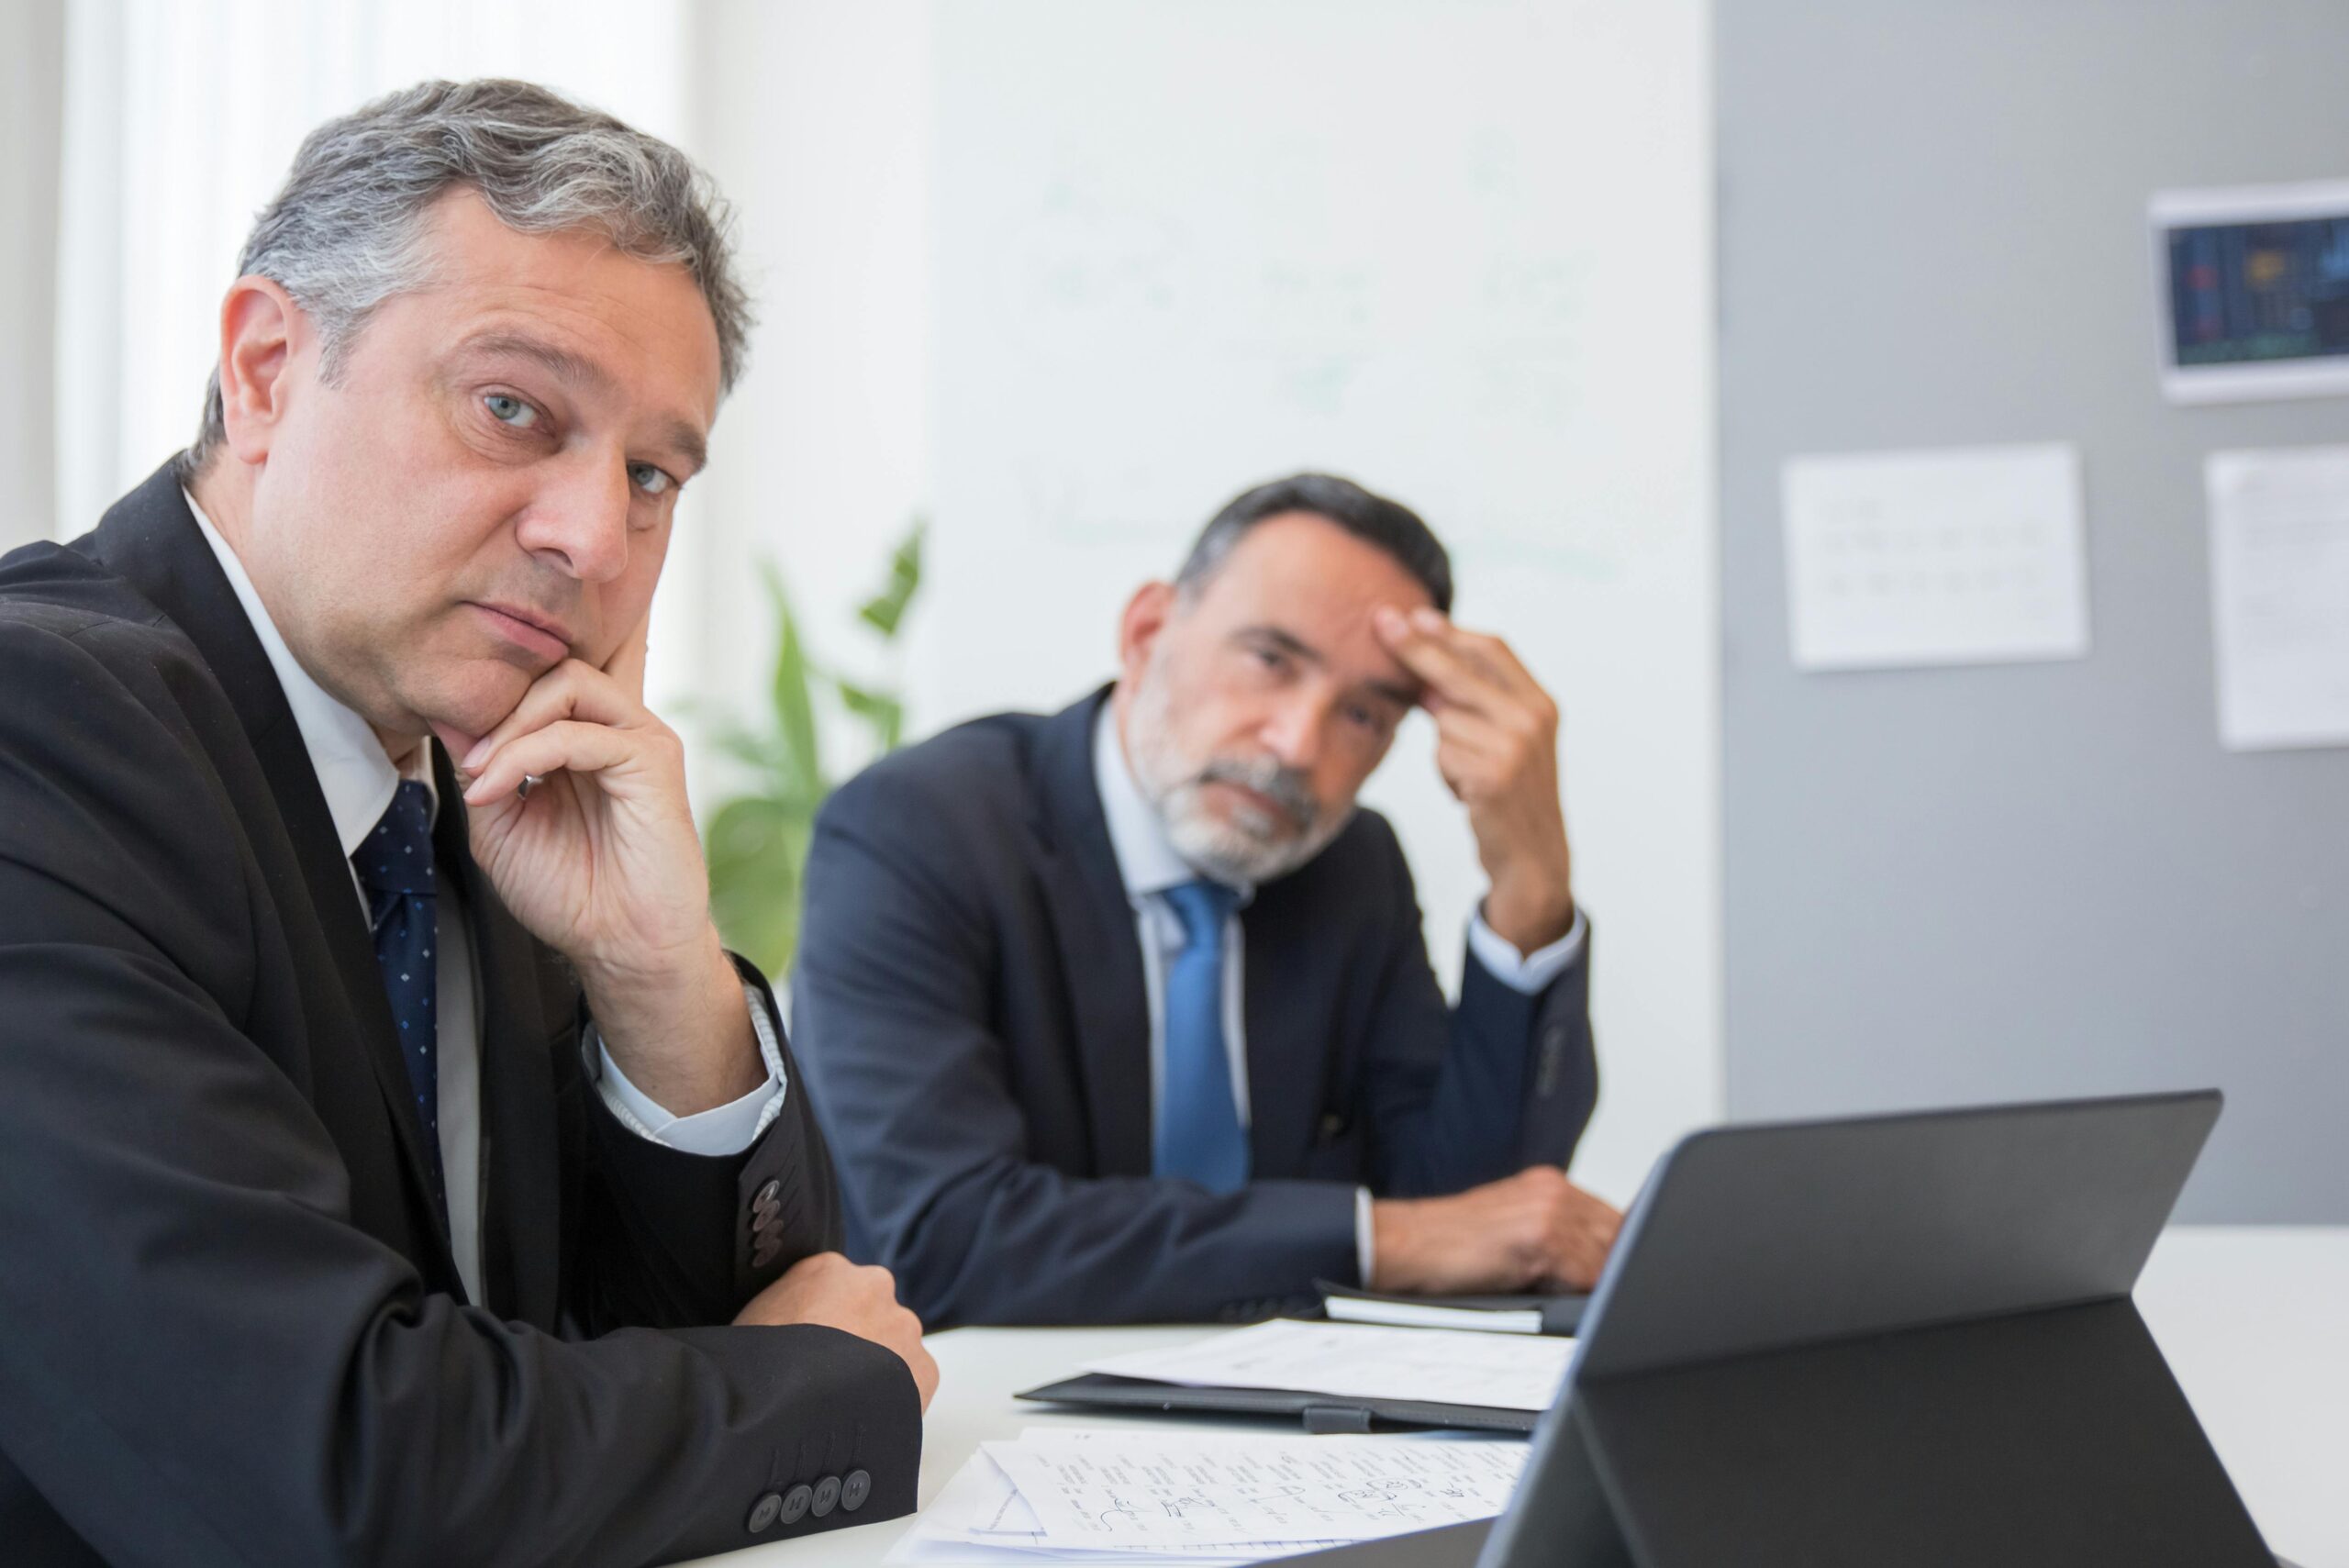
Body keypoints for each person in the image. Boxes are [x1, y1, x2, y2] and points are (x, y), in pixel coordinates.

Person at [0, 81, 933, 1567]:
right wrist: (820, 1389)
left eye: (650, 474)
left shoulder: (481, 776)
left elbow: (657, 1347)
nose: (591, 536)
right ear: (263, 368)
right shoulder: (37, 729)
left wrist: (656, 972)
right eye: (515, 409)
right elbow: (326, 1473)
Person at [795, 473, 1622, 1328]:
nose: (1298, 744)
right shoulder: (920, 829)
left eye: (1365, 716)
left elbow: (1485, 1222)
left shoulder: (1352, 866)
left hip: (1276, 1430)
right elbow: (946, 1238)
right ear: (1149, 632)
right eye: (1271, 660)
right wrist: (1381, 1239)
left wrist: (1530, 889)